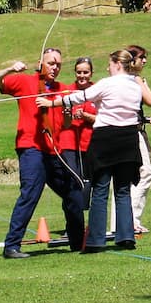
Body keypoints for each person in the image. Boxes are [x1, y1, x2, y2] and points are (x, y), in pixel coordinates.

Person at [38, 48, 144, 252]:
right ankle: (126, 237)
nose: (107, 68)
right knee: (122, 190)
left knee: (100, 189)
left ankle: (95, 240)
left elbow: (80, 97)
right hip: (129, 140)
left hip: (106, 139)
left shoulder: (107, 83)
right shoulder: (135, 86)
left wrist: (51, 102)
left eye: (110, 64)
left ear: (117, 64)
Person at [0, 48, 86, 258]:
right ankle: (11, 246)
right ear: (40, 63)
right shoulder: (24, 82)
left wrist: (68, 111)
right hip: (31, 148)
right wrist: (9, 69)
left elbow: (67, 123)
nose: (55, 67)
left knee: (73, 191)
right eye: (51, 63)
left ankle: (78, 242)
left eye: (58, 64)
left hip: (54, 151)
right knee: (30, 193)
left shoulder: (63, 90)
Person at [127, 44, 151, 234]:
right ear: (132, 60)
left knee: (132, 178)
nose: (145, 61)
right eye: (142, 57)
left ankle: (129, 221)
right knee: (145, 174)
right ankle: (132, 220)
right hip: (133, 134)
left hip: (135, 128)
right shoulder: (134, 80)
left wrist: (148, 120)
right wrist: (142, 83)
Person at [57, 56, 98, 210]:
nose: (82, 76)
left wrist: (87, 117)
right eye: (79, 72)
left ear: (91, 73)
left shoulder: (97, 91)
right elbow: (60, 119)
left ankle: (86, 220)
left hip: (91, 144)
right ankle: (72, 221)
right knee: (73, 181)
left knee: (89, 182)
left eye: (85, 72)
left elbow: (105, 118)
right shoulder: (67, 92)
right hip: (69, 144)